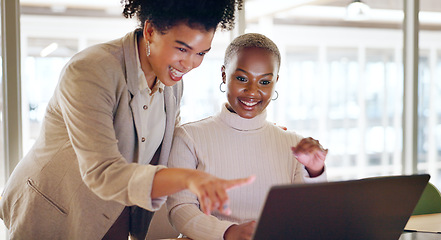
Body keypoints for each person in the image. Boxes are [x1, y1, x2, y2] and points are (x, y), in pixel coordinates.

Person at [0, 0, 252, 239]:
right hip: (57, 209)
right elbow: (103, 172)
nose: (189, 64)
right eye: (182, 49)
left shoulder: (172, 83)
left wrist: (244, 131)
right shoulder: (91, 70)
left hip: (114, 211)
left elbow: (169, 143)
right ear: (150, 31)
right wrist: (187, 178)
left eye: (201, 53)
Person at [166, 33, 329, 240]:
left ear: (275, 81)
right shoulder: (189, 137)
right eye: (242, 78)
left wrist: (315, 171)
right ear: (224, 75)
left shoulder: (292, 144)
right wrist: (227, 233)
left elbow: (308, 214)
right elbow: (179, 209)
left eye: (264, 82)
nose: (252, 91)